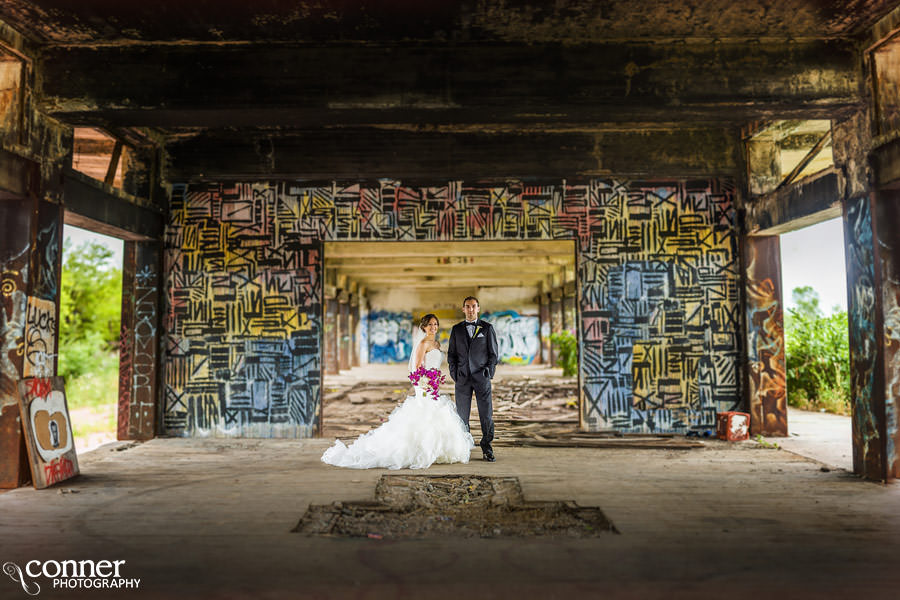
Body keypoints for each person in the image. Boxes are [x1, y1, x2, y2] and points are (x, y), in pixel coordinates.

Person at [321, 314, 474, 469]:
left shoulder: (436, 343)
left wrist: (434, 380)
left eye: (435, 324)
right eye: (430, 325)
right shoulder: (422, 344)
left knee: (436, 414)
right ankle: (418, 450)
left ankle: (438, 450)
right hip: (423, 385)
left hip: (434, 384)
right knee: (425, 413)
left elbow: (434, 363)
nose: (433, 327)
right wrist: (424, 382)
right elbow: (416, 368)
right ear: (424, 327)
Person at [447, 296, 499, 462]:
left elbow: (493, 354)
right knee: (462, 415)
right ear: (463, 309)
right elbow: (451, 354)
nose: (470, 309)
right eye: (467, 307)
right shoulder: (456, 330)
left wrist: (488, 373)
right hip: (462, 379)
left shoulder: (487, 328)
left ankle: (487, 448)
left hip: (481, 378)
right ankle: (464, 448)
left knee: (486, 414)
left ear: (478, 308)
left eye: (473, 306)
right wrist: (454, 373)